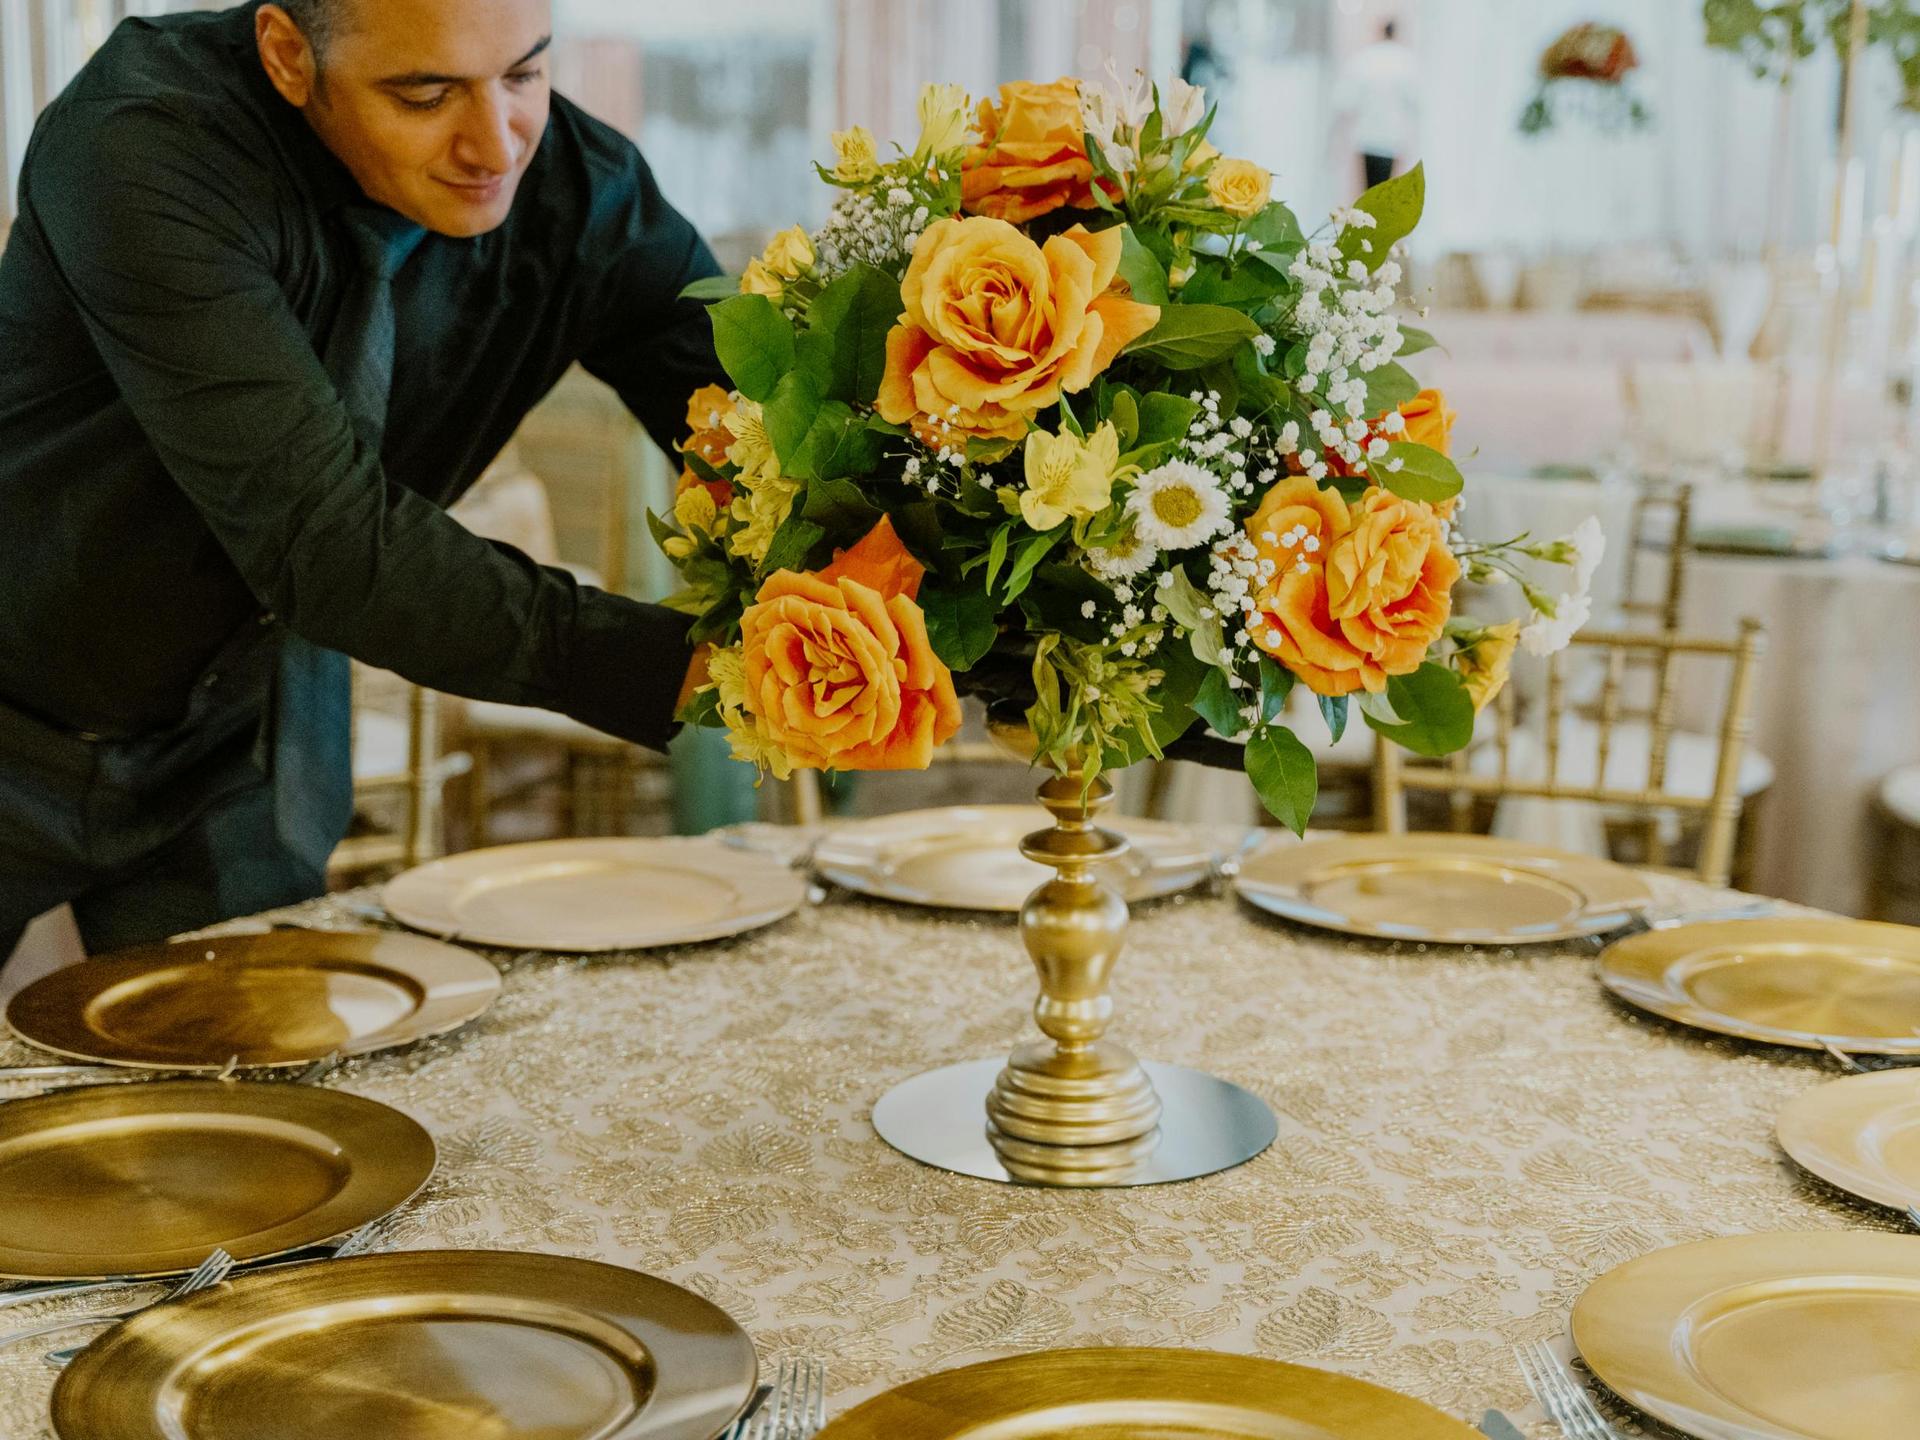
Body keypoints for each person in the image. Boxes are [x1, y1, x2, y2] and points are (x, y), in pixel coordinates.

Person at [0, 0, 725, 963]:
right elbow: (325, 539)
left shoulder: (585, 196)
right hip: (13, 692)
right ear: (289, 55)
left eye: (524, 74)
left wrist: (890, 590)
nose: (497, 145)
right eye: (425, 94)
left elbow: (756, 420)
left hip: (244, 738)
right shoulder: (141, 143)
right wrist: (693, 671)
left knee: (244, 1094)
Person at [1336, 18, 1418, 190]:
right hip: (1392, 137)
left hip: (1367, 136)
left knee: (1369, 188)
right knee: (1386, 190)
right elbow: (1414, 102)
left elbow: (1347, 100)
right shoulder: (1405, 61)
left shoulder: (1365, 58)